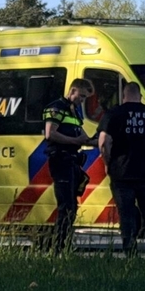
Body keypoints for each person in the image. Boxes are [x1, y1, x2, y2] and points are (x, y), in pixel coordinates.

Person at [98, 82, 145, 258]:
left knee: (127, 215)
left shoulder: (114, 114)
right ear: (140, 96)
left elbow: (104, 142)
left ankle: (130, 253)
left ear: (123, 96)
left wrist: (107, 163)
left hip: (122, 173)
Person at [42, 78, 95, 253]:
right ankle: (57, 248)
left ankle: (64, 245)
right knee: (65, 206)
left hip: (72, 161)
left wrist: (103, 139)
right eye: (81, 96)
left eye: (84, 97)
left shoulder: (74, 111)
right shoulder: (56, 107)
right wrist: (75, 141)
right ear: (72, 91)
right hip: (61, 160)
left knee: (71, 205)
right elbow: (50, 133)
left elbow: (84, 137)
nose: (82, 100)